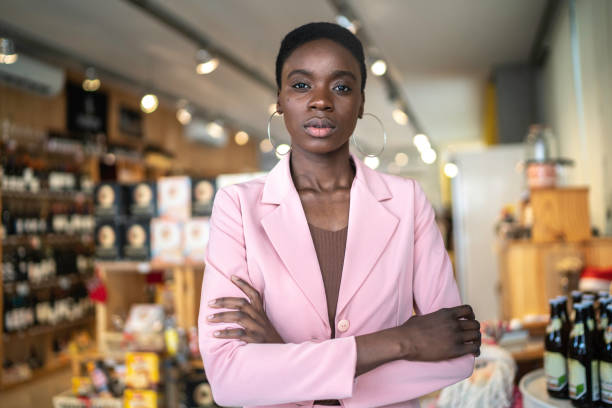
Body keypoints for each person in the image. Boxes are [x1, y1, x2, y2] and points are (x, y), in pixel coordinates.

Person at [198, 22, 481, 408]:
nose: (320, 101)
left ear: (361, 103)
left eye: (341, 87)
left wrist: (283, 360)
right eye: (300, 85)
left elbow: (456, 353)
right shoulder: (237, 208)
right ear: (280, 99)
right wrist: (404, 341)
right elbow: (229, 377)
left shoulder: (407, 201)